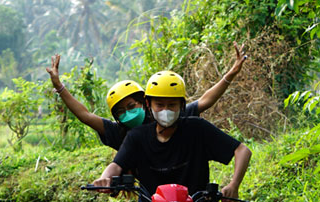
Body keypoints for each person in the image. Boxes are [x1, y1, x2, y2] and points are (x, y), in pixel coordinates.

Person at [92, 71, 252, 202]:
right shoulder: (137, 136)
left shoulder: (198, 129)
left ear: (182, 105)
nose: (165, 110)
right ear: (148, 104)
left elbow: (242, 150)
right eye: (159, 105)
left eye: (172, 105)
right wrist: (105, 178)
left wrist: (234, 185)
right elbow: (116, 165)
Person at [45, 43, 248, 150]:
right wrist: (60, 87)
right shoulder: (119, 133)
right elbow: (85, 115)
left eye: (132, 106)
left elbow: (206, 100)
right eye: (121, 111)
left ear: (146, 103)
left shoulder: (168, 115)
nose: (128, 113)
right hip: (148, 200)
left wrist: (230, 74)